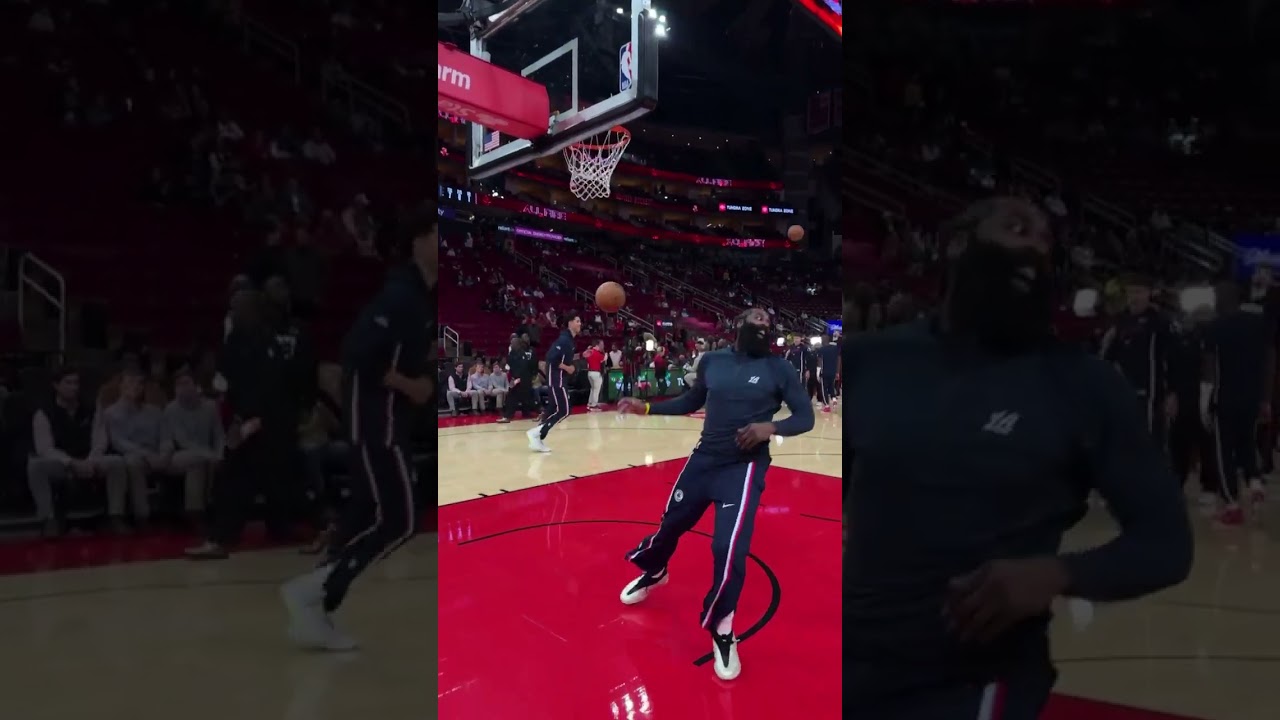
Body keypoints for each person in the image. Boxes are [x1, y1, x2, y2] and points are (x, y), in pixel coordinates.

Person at [843, 197, 1193, 719]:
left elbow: (1166, 544)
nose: (1036, 247)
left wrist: (1056, 573)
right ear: (958, 244)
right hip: (850, 657)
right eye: (1017, 228)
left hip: (974, 678)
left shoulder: (1085, 385)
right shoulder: (870, 361)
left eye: (1047, 241)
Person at [616, 307, 815, 681]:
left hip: (743, 468)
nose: (765, 323)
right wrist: (648, 407)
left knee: (728, 548)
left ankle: (723, 625)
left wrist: (770, 428)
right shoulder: (712, 361)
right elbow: (692, 401)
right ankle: (655, 570)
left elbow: (805, 417)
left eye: (769, 322)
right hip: (703, 460)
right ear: (739, 324)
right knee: (670, 525)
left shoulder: (780, 368)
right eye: (757, 318)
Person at [280, 207, 434, 651]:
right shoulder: (399, 296)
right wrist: (410, 385)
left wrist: (422, 378)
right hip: (375, 421)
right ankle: (310, 592)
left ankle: (316, 607)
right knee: (401, 519)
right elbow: (358, 353)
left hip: (391, 421)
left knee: (366, 517)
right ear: (418, 241)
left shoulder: (421, 298)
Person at [28, 367, 127, 537]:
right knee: (35, 466)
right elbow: (45, 448)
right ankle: (48, 519)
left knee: (116, 462)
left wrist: (91, 460)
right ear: (56, 386)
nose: (73, 387)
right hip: (62, 462)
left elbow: (100, 439)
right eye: (68, 383)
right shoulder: (43, 413)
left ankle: (115, 516)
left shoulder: (91, 408)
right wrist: (71, 462)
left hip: (90, 460)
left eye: (76, 383)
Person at [1203, 281, 1273, 525]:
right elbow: (1270, 360)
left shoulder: (1215, 326)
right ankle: (1254, 482)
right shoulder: (1258, 324)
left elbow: (1210, 365)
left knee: (1223, 452)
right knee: (1247, 442)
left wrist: (1205, 395)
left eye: (1216, 295)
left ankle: (1232, 505)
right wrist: (1266, 398)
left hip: (1225, 398)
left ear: (1224, 298)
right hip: (1252, 397)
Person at [1099, 273, 1176, 444]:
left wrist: (1172, 392)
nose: (1134, 297)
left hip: (1152, 394)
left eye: (1139, 292)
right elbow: (1107, 357)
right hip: (1124, 393)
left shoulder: (1160, 322)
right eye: (1131, 292)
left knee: (1149, 438)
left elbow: (1173, 359)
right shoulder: (1119, 322)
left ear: (1149, 293)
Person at [525, 314, 580, 452]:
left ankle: (538, 437)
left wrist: (581, 356)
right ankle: (535, 433)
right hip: (557, 379)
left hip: (560, 379)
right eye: (577, 321)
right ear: (570, 323)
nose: (580, 324)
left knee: (553, 409)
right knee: (564, 410)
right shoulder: (564, 340)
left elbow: (564, 359)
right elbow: (551, 358)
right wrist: (568, 368)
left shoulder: (570, 341)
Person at [497, 337, 537, 423]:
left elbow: (523, 368)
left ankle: (509, 416)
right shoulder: (512, 353)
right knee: (518, 396)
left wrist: (518, 378)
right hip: (515, 378)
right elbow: (510, 363)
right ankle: (509, 415)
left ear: (517, 344)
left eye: (513, 343)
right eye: (511, 343)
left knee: (517, 396)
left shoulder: (522, 354)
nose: (511, 345)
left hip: (522, 379)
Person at [816, 334, 840, 413]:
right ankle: (834, 399)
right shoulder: (835, 348)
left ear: (823, 340)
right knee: (831, 387)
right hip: (833, 372)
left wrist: (818, 372)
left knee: (824, 390)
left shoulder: (821, 349)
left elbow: (819, 362)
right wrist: (837, 372)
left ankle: (827, 406)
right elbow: (838, 359)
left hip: (824, 372)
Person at [584, 339, 606, 411]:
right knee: (596, 389)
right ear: (597, 345)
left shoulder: (589, 352)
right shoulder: (597, 353)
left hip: (590, 373)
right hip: (596, 373)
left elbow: (585, 357)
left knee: (593, 388)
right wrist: (605, 354)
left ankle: (590, 403)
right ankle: (594, 405)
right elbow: (603, 359)